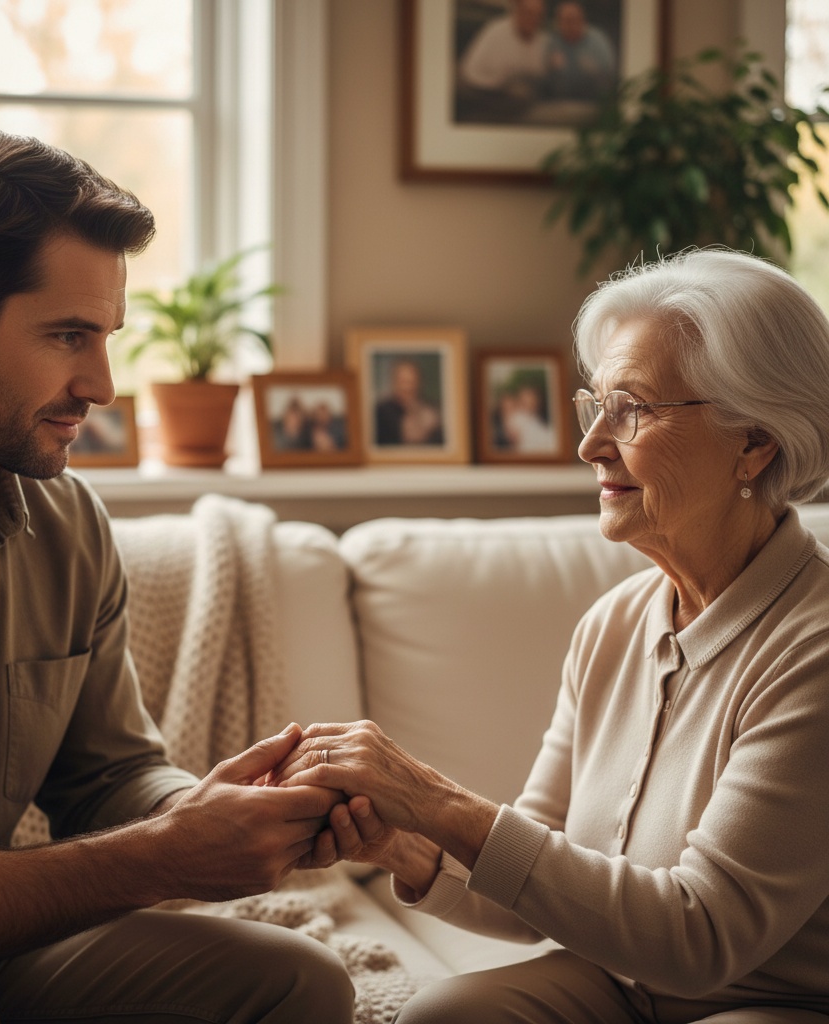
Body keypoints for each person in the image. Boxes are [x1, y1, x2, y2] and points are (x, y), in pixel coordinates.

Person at [0, 129, 354, 1023]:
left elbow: (107, 780)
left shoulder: (66, 521)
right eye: (67, 336)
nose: (101, 385)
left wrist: (221, 813)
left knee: (304, 982)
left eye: (105, 338)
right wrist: (168, 855)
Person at [275, 249, 829, 1021]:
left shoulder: (816, 648)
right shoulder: (614, 625)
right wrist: (403, 843)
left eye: (631, 408)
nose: (591, 444)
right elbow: (535, 881)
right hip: (614, 981)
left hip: (771, 1001)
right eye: (595, 406)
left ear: (754, 441)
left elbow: (702, 938)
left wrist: (435, 800)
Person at [458, 0, 548, 114]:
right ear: (517, 11)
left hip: (524, 97)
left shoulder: (545, 41)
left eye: (538, 15)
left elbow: (542, 77)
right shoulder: (495, 31)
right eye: (528, 13)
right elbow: (470, 71)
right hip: (482, 92)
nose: (533, 19)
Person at [544, 1, 617, 102]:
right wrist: (551, 67)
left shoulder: (597, 40)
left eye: (574, 20)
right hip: (561, 98)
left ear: (582, 20)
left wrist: (593, 69)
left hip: (593, 96)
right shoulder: (554, 42)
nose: (570, 25)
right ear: (558, 22)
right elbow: (546, 77)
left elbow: (609, 74)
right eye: (566, 21)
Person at [374, 358, 443, 446]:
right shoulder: (381, 412)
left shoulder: (431, 409)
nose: (408, 387)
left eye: (411, 382)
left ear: (419, 382)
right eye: (403, 382)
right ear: (393, 382)